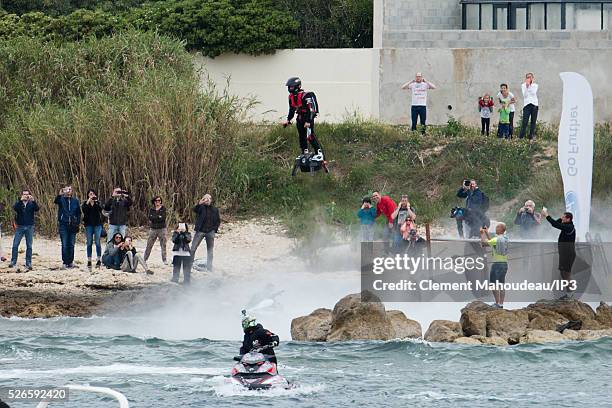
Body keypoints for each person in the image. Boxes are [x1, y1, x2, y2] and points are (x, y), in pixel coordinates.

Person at [281, 77, 324, 161]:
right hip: (300, 118)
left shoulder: (307, 95)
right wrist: (288, 120)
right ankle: (305, 152)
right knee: (301, 136)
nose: (290, 89)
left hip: (308, 117)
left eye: (292, 87)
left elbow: (312, 109)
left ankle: (319, 153)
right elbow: (292, 109)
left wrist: (308, 121)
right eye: (289, 87)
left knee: (310, 136)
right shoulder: (291, 97)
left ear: (298, 86)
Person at [542, 208, 576, 299]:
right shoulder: (566, 224)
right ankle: (569, 292)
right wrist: (561, 218)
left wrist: (546, 215)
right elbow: (556, 224)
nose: (562, 218)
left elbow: (555, 224)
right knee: (562, 273)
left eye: (564, 217)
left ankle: (571, 293)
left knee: (566, 274)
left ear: (568, 219)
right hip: (564, 254)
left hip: (569, 254)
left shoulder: (569, 227)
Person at [480, 223, 509, 308]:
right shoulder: (505, 239)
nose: (496, 228)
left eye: (497, 227)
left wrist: (482, 234)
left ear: (500, 229)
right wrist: (487, 233)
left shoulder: (496, 239)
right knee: (501, 284)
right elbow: (492, 244)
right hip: (504, 264)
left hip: (497, 264)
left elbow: (483, 244)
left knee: (493, 284)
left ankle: (497, 303)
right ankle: (501, 304)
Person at [10, 190, 40, 270]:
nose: (26, 196)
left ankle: (28, 262)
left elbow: (37, 209)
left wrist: (33, 201)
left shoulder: (31, 203)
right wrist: (20, 200)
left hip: (29, 227)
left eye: (27, 194)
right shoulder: (19, 204)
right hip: (20, 227)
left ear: (29, 195)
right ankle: (13, 261)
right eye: (24, 194)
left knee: (29, 246)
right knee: (15, 245)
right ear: (22, 195)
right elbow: (14, 208)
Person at [54, 185, 81, 269]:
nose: (69, 191)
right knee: (64, 244)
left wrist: (77, 222)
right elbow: (56, 201)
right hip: (63, 224)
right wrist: (60, 194)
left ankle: (70, 262)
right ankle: (65, 262)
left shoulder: (75, 201)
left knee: (71, 244)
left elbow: (78, 212)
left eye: (70, 189)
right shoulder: (61, 199)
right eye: (67, 189)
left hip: (73, 225)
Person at [191, 194, 220, 271]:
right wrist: (199, 203)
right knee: (193, 248)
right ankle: (189, 265)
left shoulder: (215, 209)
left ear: (211, 200)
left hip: (210, 232)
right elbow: (194, 210)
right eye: (205, 199)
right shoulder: (201, 208)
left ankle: (209, 267)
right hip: (200, 231)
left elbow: (218, 221)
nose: (207, 200)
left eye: (209, 199)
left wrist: (214, 230)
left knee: (210, 250)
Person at [82, 189, 104, 268]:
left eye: (93, 194)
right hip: (88, 225)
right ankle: (89, 260)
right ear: (88, 195)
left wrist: (96, 201)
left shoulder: (97, 202)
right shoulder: (85, 203)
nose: (92, 195)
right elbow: (84, 210)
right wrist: (88, 201)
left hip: (97, 225)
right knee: (89, 242)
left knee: (97, 242)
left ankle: (98, 259)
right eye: (90, 194)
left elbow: (101, 210)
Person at [144, 196, 167, 264]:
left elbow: (163, 218)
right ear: (154, 202)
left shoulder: (163, 208)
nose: (158, 202)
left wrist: (155, 218)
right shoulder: (152, 209)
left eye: (159, 200)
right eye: (156, 201)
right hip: (153, 229)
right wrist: (157, 217)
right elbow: (150, 218)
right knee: (149, 244)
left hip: (162, 229)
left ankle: (164, 259)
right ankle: (145, 258)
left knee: (163, 245)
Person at [519, 73, 539, 140]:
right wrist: (527, 86)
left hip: (534, 105)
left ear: (533, 78)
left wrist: (529, 86)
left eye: (530, 77)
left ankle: (531, 136)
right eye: (527, 77)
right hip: (527, 105)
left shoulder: (535, 85)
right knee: (525, 121)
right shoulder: (523, 85)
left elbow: (533, 93)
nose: (529, 78)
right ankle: (521, 137)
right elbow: (525, 95)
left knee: (533, 121)